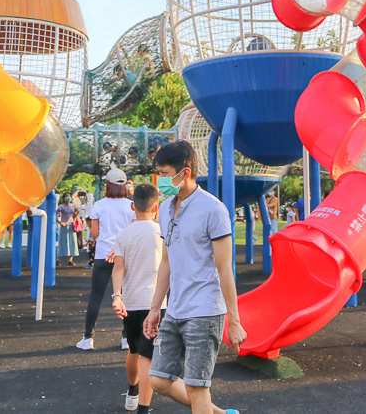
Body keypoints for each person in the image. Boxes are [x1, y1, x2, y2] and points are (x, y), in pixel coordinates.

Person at [143, 141, 243, 414]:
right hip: (175, 309)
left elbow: (225, 269)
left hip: (204, 311)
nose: (160, 180)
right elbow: (166, 261)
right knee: (159, 380)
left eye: (164, 173)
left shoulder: (213, 209)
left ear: (184, 173)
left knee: (197, 387)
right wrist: (155, 309)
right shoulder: (164, 209)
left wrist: (234, 322)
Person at [111, 183, 163, 414]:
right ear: (156, 207)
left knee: (133, 351)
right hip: (156, 304)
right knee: (148, 358)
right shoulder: (161, 233)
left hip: (130, 303)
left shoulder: (123, 234)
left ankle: (132, 392)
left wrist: (117, 296)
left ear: (133, 206)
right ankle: (143, 408)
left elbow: (118, 267)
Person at [77, 167, 135, 350]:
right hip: (124, 256)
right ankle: (127, 338)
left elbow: (95, 233)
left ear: (107, 185)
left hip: (103, 256)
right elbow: (133, 231)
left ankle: (88, 339)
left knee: (96, 297)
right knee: (126, 297)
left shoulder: (99, 205)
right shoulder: (131, 206)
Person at [56, 192, 79, 266]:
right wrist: (60, 222)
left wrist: (76, 214)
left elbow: (75, 215)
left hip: (72, 225)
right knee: (62, 242)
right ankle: (58, 259)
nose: (68, 198)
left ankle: (70, 260)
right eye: (66, 196)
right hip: (64, 226)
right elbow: (54, 215)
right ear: (63, 198)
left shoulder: (73, 206)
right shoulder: (61, 207)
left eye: (69, 196)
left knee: (72, 242)